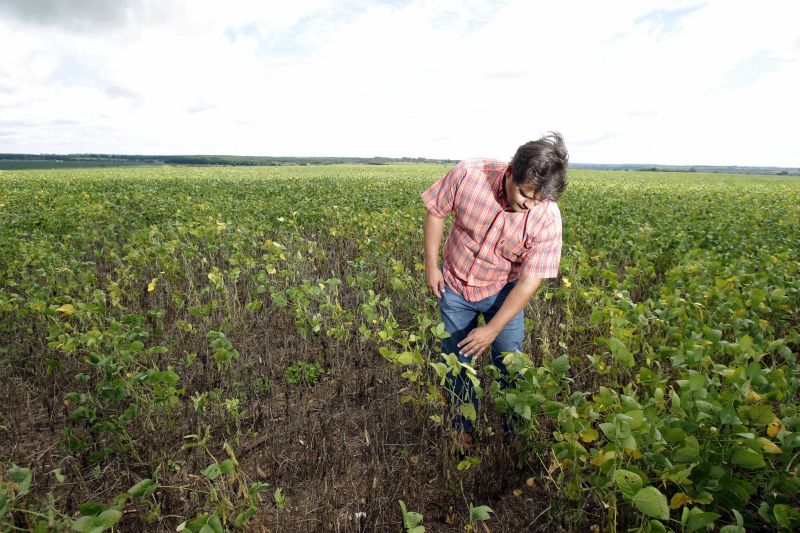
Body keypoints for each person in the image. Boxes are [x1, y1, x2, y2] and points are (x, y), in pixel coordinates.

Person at [421, 132, 568, 447]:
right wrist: (431, 267)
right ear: (511, 171)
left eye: (538, 199)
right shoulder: (469, 174)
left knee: (510, 364)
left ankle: (513, 437)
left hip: (504, 292)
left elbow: (529, 281)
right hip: (455, 285)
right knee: (456, 361)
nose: (529, 205)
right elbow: (436, 212)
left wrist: (493, 328)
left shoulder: (547, 218)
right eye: (525, 194)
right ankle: (462, 428)